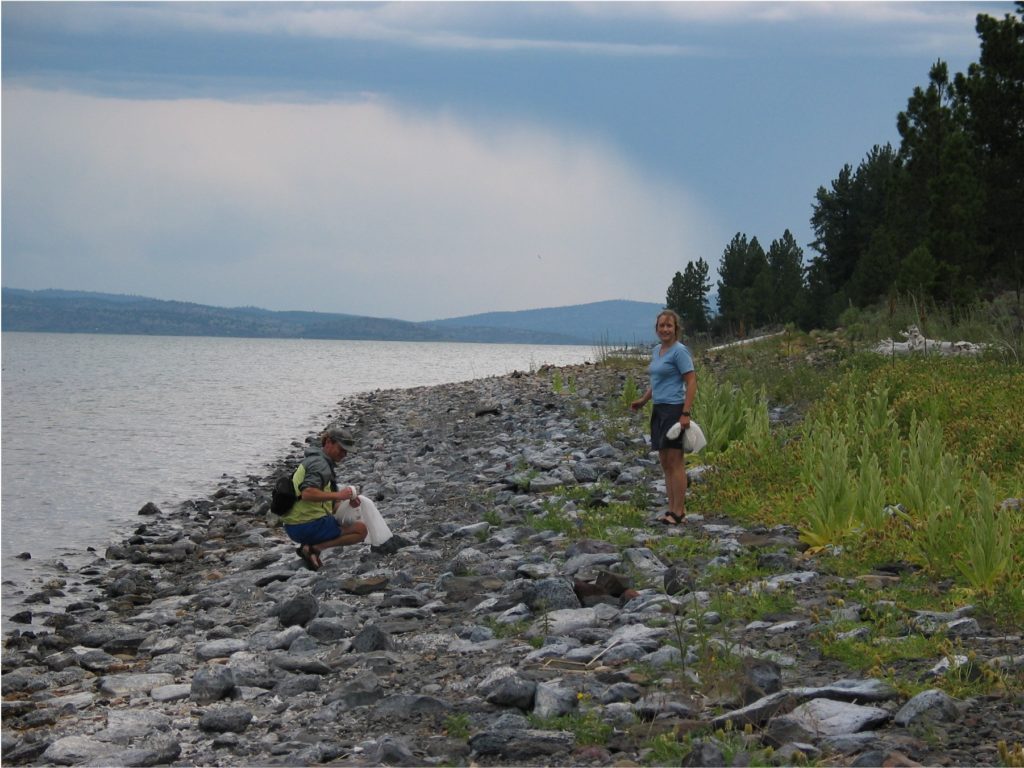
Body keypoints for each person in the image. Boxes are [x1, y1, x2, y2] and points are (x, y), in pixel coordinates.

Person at [630, 309, 697, 525]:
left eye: (669, 326)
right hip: (659, 409)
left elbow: (691, 382)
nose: (665, 329)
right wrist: (643, 400)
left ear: (676, 329)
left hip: (674, 409)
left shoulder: (680, 352)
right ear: (656, 329)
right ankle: (672, 509)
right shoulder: (657, 350)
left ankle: (678, 512)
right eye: (662, 326)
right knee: (665, 463)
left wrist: (685, 413)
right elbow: (656, 382)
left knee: (675, 461)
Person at [281, 427, 367, 570]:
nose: (344, 454)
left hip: (293, 525)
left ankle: (311, 547)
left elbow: (329, 503)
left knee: (346, 516)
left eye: (346, 451)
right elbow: (308, 493)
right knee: (361, 530)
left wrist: (346, 501)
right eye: (341, 449)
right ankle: (314, 548)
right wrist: (340, 495)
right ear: (328, 442)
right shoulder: (320, 465)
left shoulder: (315, 460)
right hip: (305, 526)